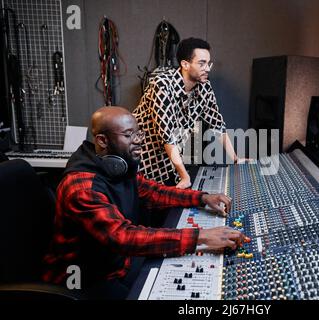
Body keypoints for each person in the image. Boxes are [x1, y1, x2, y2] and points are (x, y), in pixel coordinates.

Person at [42, 106, 244, 299]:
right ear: (102, 140)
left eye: (139, 134)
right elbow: (122, 237)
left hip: (117, 264)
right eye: (129, 135)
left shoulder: (116, 167)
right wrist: (202, 237)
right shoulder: (81, 189)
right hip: (84, 280)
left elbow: (153, 192)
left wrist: (201, 198)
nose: (139, 141)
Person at [133, 37, 243, 189]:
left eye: (208, 63)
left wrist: (236, 159)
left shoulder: (204, 87)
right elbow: (168, 137)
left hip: (171, 164)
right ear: (185, 64)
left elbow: (217, 125)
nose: (208, 68)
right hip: (145, 165)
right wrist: (185, 177)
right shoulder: (162, 85)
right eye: (201, 63)